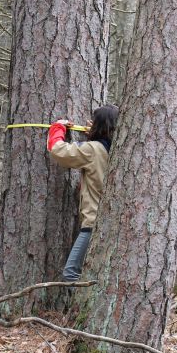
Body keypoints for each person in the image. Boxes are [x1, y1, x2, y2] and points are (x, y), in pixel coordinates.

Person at [46, 104, 118, 282]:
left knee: (71, 274)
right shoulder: (119, 150)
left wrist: (58, 127)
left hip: (92, 226)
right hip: (113, 228)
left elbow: (58, 151)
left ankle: (76, 311)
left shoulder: (92, 149)